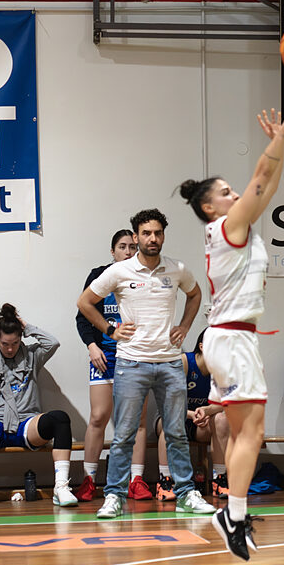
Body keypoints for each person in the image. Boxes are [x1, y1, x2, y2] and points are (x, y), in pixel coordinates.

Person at [180, 97, 284, 560]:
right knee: (251, 434)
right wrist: (279, 137)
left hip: (232, 338)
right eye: (226, 192)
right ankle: (231, 515)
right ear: (209, 206)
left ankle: (233, 514)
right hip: (232, 339)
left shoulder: (240, 226)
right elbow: (260, 177)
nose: (236, 195)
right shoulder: (227, 227)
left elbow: (267, 182)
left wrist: (281, 144)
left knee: (241, 434)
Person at [78, 208, 215, 520]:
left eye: (157, 233)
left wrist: (185, 326)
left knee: (177, 432)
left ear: (163, 236)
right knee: (124, 434)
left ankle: (186, 494)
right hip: (131, 363)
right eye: (146, 233)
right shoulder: (119, 271)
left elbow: (195, 295)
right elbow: (84, 302)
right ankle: (113, 496)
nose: (152, 238)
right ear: (136, 236)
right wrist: (109, 330)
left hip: (170, 363)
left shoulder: (177, 269)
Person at [0, 304, 78, 509]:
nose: (10, 349)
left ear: (21, 339)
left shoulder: (32, 356)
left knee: (60, 418)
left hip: (27, 423)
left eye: (15, 343)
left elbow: (53, 343)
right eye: (5, 343)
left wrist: (27, 327)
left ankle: (61, 487)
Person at [74, 229, 153, 502]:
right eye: (122, 247)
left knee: (137, 421)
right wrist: (91, 345)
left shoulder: (145, 277)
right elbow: (82, 316)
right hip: (104, 357)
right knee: (98, 417)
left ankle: (136, 480)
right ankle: (88, 480)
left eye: (132, 247)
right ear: (112, 251)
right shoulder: (99, 275)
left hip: (135, 356)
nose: (128, 252)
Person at [154, 328, 230, 501]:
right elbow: (167, 402)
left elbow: (226, 403)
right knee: (170, 422)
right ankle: (164, 482)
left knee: (222, 418)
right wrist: (190, 414)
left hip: (201, 424)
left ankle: (220, 479)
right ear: (202, 346)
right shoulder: (184, 362)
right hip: (174, 416)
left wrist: (207, 411)